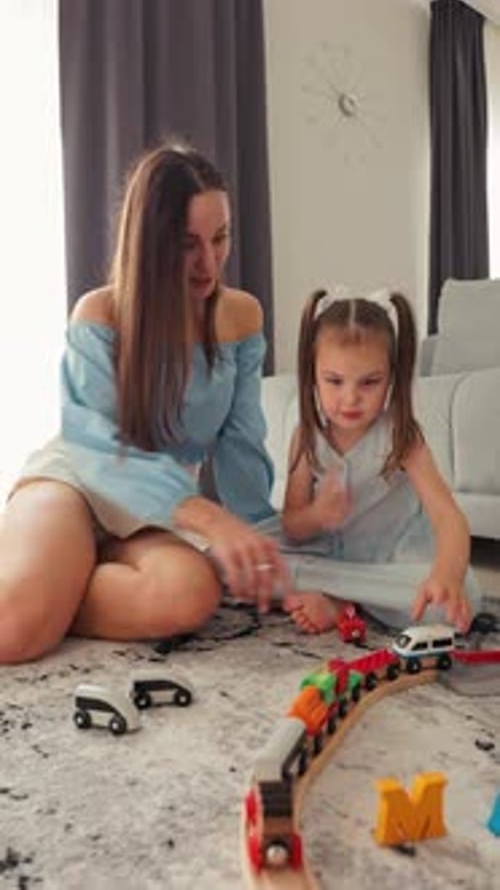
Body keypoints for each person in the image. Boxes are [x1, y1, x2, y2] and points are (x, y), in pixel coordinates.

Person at [0, 139, 291, 665]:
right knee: (15, 633)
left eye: (220, 238)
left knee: (193, 595)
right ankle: (41, 582)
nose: (210, 263)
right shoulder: (99, 314)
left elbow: (243, 449)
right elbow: (92, 444)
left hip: (152, 512)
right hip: (78, 481)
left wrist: (257, 542)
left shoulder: (242, 317)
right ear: (149, 241)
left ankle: (55, 582)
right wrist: (205, 515)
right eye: (186, 244)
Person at [272, 287, 482, 635]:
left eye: (370, 382)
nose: (350, 398)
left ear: (392, 378)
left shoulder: (402, 438)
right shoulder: (306, 437)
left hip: (395, 562)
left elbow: (450, 518)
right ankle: (345, 594)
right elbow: (293, 525)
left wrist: (446, 574)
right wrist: (317, 515)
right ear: (312, 374)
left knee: (459, 599)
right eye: (334, 381)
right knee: (232, 556)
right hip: (331, 556)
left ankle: (341, 601)